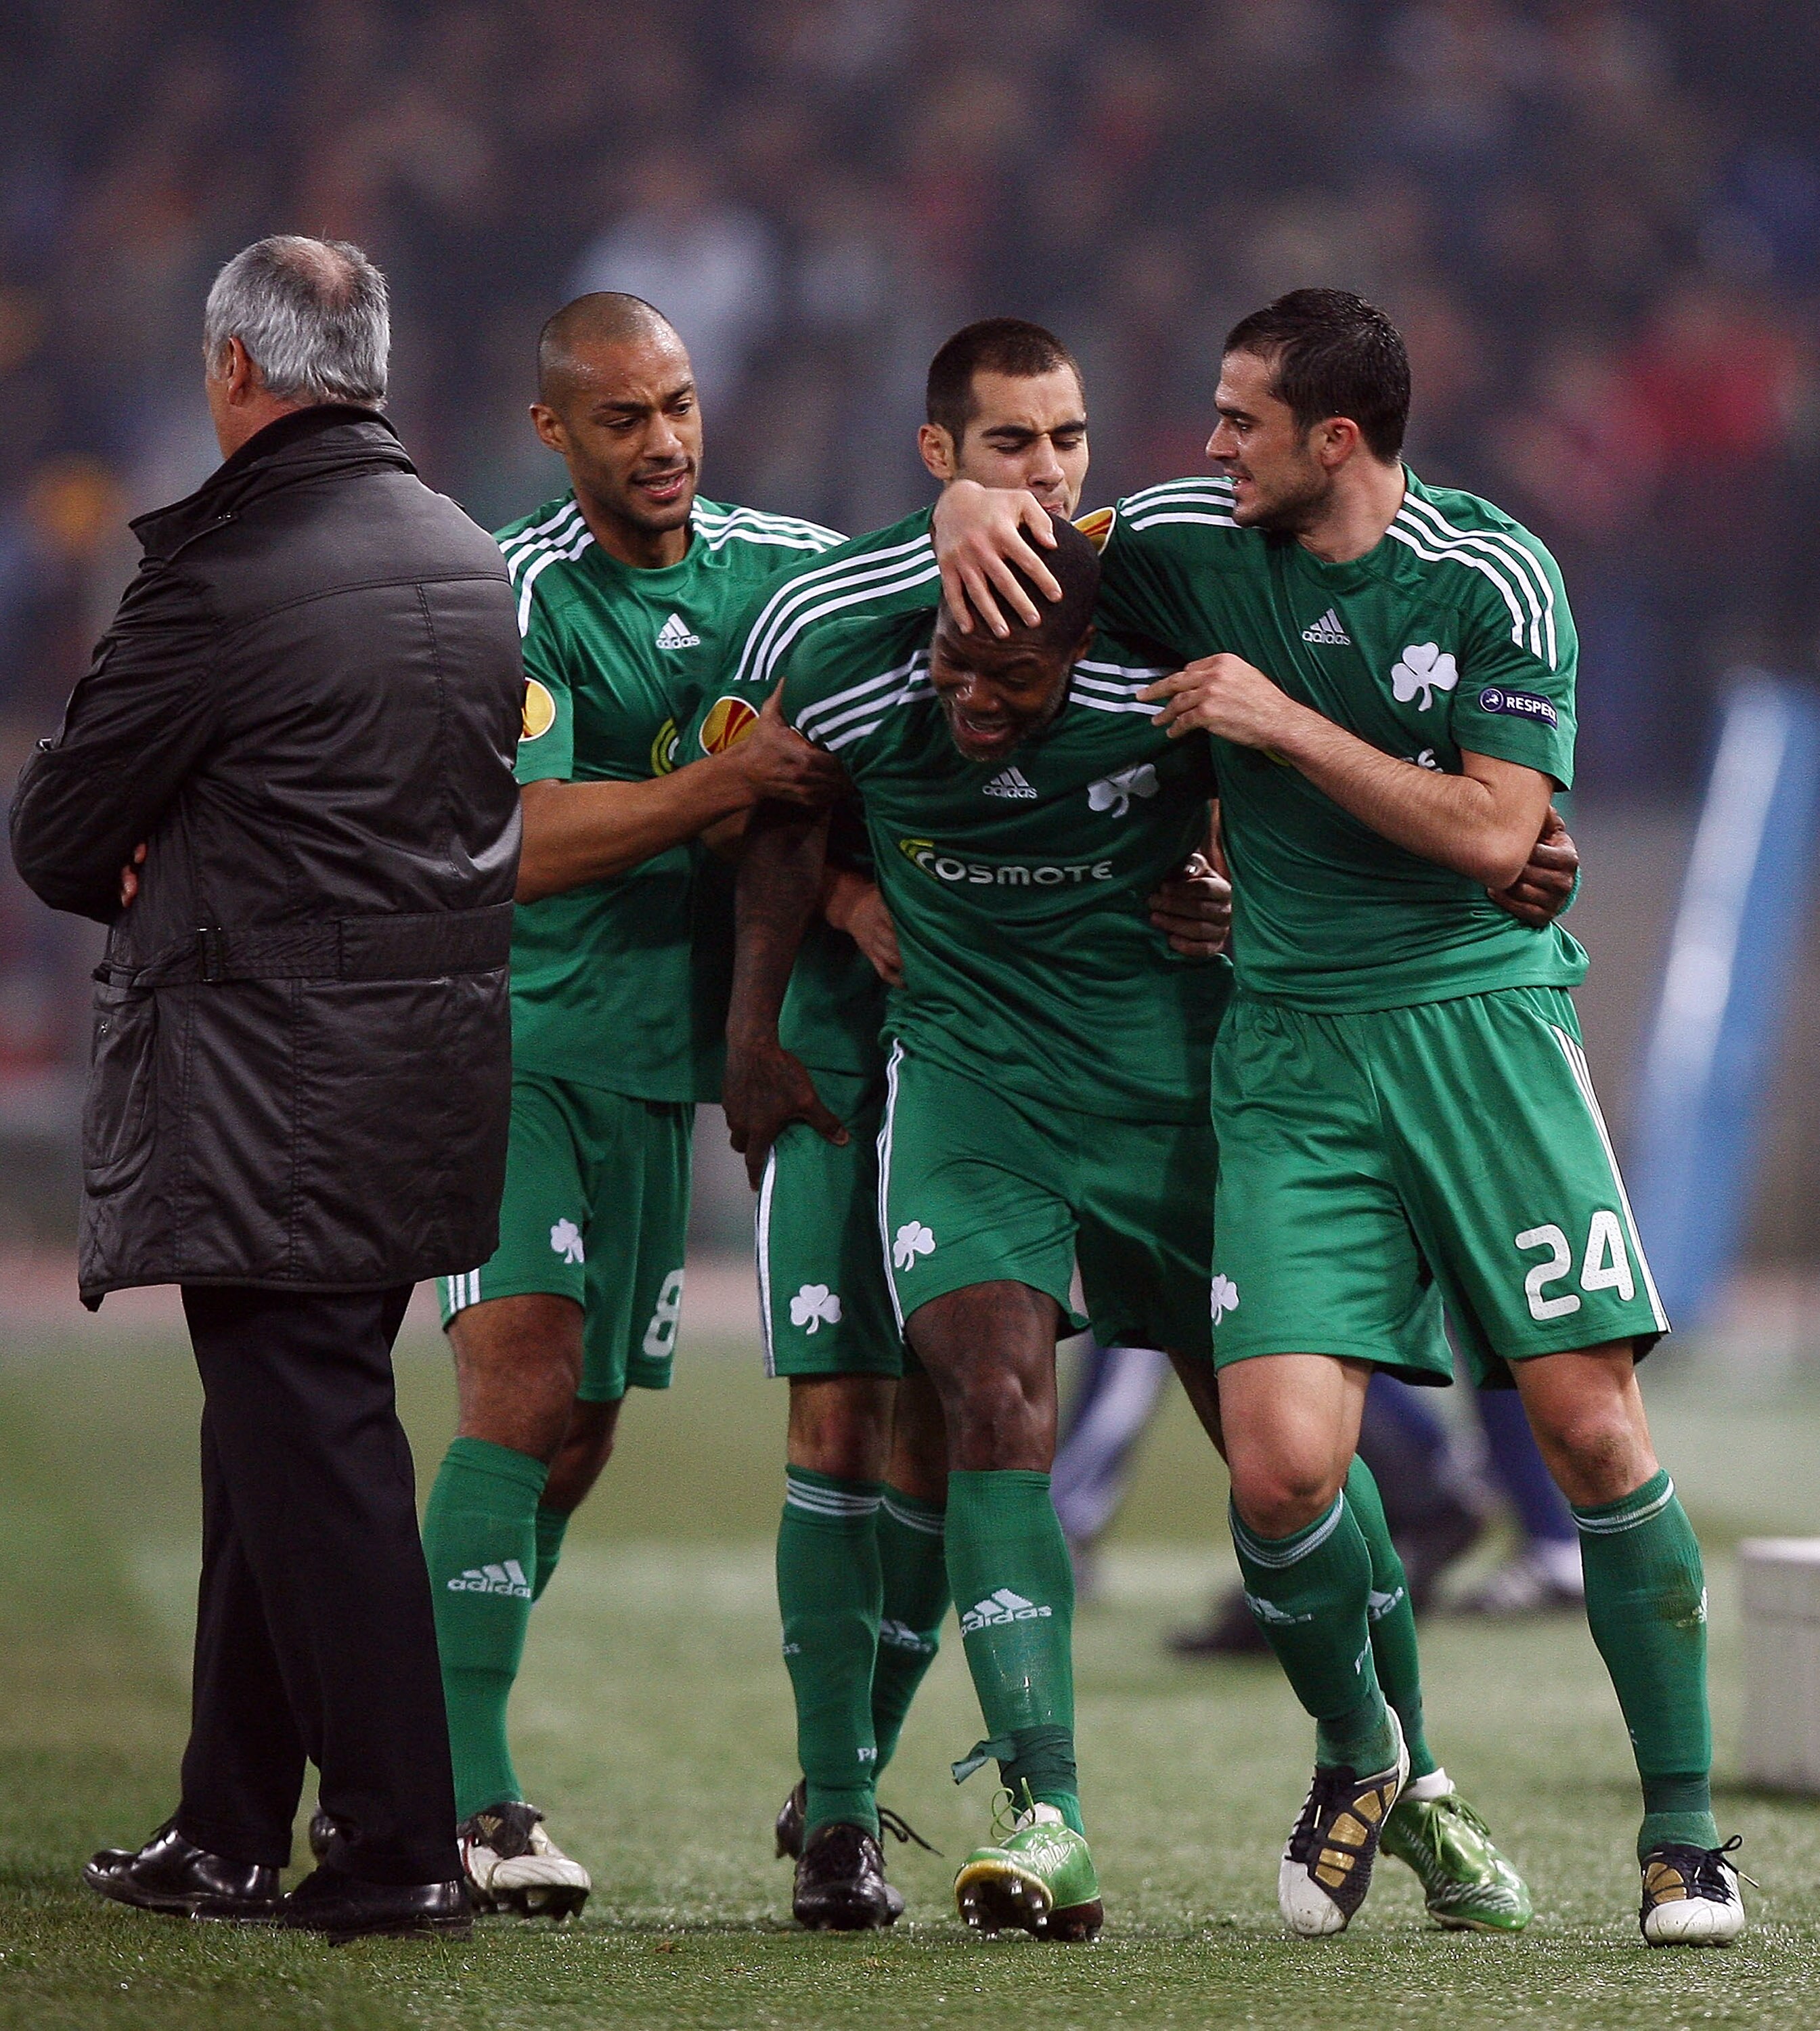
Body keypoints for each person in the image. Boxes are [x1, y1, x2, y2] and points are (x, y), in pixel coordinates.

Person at [931, 287, 1741, 1946]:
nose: (1206, 444)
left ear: (1336, 441)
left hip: (1480, 1035)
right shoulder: (1181, 535)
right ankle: (1365, 1759)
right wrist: (963, 499)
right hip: (1289, 1056)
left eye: (1239, 421)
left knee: (1588, 1434)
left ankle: (1683, 1836)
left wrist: (1277, 723)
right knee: (1286, 1472)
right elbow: (1022, 536)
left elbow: (1498, 835)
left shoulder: (1492, 574)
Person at [723, 475, 1527, 1939]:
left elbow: (1324, 807)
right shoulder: (847, 658)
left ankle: (1404, 1772)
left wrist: (1241, 880)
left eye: (1010, 677)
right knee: (988, 1404)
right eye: (955, 666)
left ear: (1078, 642)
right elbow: (767, 814)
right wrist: (764, 1011)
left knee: (1293, 1467)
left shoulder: (1165, 674)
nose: (972, 699)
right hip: (973, 1092)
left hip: (1182, 1093)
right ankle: (1046, 1810)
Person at [9, 236, 522, 1940]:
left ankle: (398, 1845)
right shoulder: (465, 556)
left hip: (270, 1076)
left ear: (237, 369)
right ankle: (225, 1826)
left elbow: (64, 830)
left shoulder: (226, 573)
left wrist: (170, 856)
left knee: (315, 1448)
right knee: (281, 1442)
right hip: (429, 1062)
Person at [700, 318, 1228, 1930]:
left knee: (956, 1423)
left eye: (1068, 441)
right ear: (940, 460)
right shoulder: (824, 611)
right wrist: (840, 911)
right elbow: (744, 801)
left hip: (1018, 1055)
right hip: (844, 1056)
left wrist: (1212, 884)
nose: (1050, 474)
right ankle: (848, 1818)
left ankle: (850, 1773)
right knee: (837, 1424)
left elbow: (1215, 767)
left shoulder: (1135, 600)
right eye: (1012, 446)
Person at [415, 292, 845, 1917]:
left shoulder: (775, 567)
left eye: (677, 406)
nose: (662, 443)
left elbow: (897, 627)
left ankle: (412, 1722)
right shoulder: (515, 595)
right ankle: (468, 1800)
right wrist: (716, 790)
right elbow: (512, 842)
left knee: (579, 1431)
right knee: (516, 1392)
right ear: (553, 431)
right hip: (511, 1043)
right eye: (622, 419)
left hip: (664, 1067)